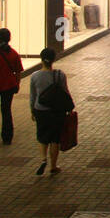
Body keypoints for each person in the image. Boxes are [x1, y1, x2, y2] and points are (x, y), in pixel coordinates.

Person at [30, 48, 72, 176]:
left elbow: (33, 96)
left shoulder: (35, 76)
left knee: (42, 136)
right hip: (57, 110)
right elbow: (65, 92)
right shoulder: (60, 75)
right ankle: (53, 166)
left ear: (41, 59)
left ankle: (43, 159)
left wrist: (32, 110)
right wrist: (69, 107)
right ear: (54, 60)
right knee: (55, 138)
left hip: (40, 110)